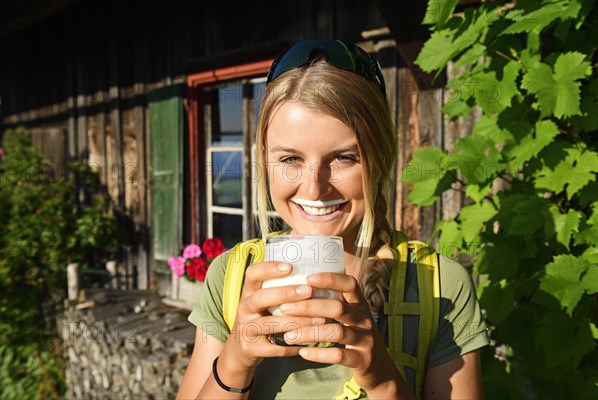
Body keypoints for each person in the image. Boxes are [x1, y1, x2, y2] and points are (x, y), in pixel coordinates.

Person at [176, 39, 489, 399]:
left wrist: (382, 380)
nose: (314, 187)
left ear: (381, 158)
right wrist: (234, 361)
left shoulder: (439, 287)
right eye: (290, 159)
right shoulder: (231, 276)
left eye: (343, 158)